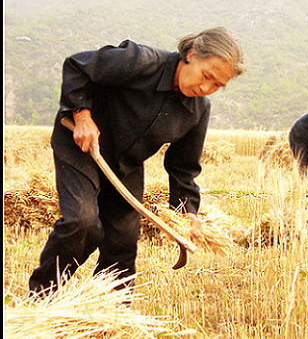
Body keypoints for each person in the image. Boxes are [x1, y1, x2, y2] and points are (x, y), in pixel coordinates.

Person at [29, 27, 246, 296]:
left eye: (216, 86)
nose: (205, 88)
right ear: (191, 54)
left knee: (122, 242)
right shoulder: (140, 62)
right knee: (83, 223)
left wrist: (186, 211)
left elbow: (183, 168)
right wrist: (83, 117)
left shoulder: (198, 110)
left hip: (125, 165)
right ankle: (41, 297)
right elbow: (78, 66)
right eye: (206, 76)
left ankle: (111, 315)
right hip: (81, 144)